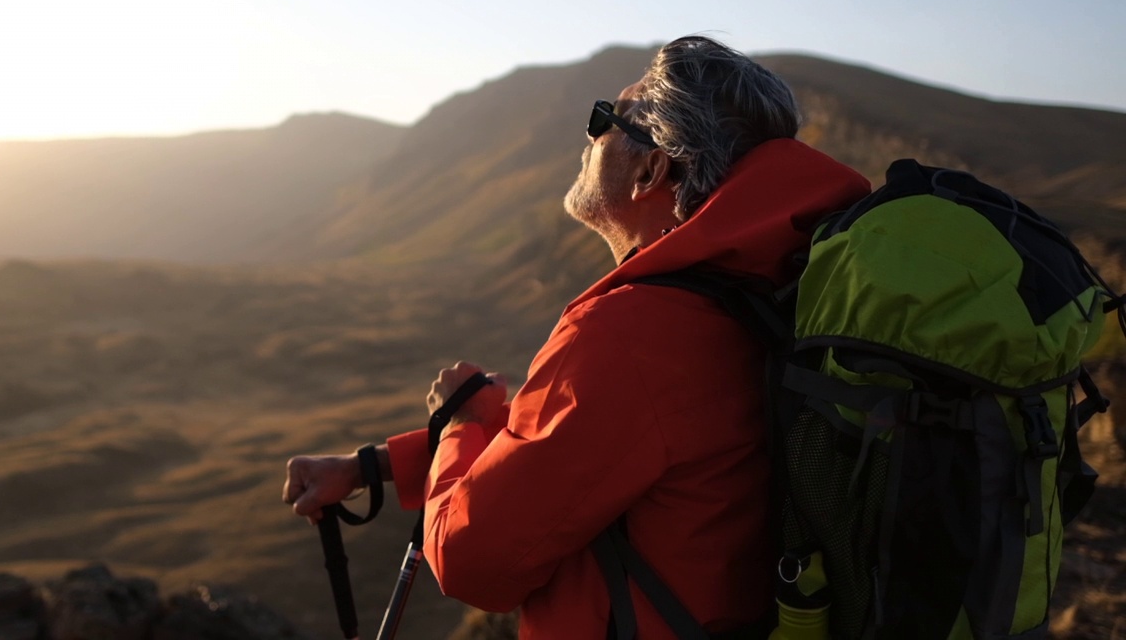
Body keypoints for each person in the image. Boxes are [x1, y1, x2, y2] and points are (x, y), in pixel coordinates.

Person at [283, 35, 872, 639]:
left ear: (651, 170)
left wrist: (459, 421)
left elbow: (469, 562)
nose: (589, 137)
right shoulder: (760, 297)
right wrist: (367, 468)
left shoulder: (632, 333)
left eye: (605, 120)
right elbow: (582, 436)